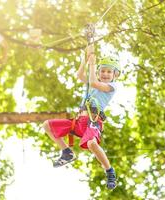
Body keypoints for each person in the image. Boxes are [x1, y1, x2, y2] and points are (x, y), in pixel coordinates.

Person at [43, 45, 120, 190]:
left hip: (93, 121)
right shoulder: (92, 83)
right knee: (47, 125)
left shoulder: (112, 86)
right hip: (79, 122)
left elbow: (95, 82)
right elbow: (79, 75)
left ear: (115, 75)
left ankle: (110, 171)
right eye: (102, 71)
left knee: (92, 144)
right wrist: (85, 59)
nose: (105, 74)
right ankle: (67, 152)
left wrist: (92, 65)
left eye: (109, 72)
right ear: (98, 72)